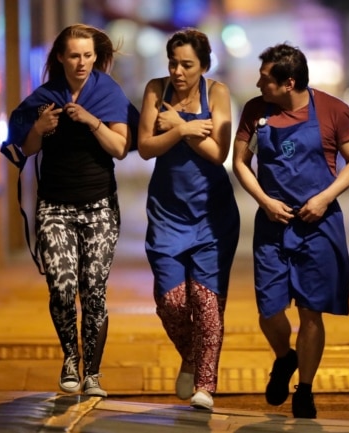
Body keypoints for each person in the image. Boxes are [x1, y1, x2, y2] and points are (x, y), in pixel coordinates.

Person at [1, 24, 139, 398]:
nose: (81, 63)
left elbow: (120, 148)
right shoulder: (44, 98)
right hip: (54, 207)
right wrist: (40, 128)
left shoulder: (108, 93)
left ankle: (93, 372)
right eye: (74, 55)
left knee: (93, 290)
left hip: (99, 207)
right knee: (62, 287)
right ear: (60, 57)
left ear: (96, 57)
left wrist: (91, 121)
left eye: (88, 56)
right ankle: (69, 358)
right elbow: (24, 150)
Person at [232, 43, 349, 418]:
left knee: (311, 311)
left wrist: (325, 198)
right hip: (272, 224)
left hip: (317, 224)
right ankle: (284, 356)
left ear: (288, 82)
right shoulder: (255, 111)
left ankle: (304, 389)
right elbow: (240, 162)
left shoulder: (334, 110)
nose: (259, 84)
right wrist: (264, 201)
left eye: (265, 79)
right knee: (269, 309)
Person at [138, 28, 240, 411]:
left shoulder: (218, 92)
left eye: (187, 65)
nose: (178, 72)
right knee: (172, 303)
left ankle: (206, 385)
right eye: (173, 63)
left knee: (207, 302)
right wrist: (185, 128)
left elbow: (218, 152)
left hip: (213, 216)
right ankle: (193, 356)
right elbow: (146, 147)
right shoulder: (155, 89)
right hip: (166, 214)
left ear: (204, 65)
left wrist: (175, 126)